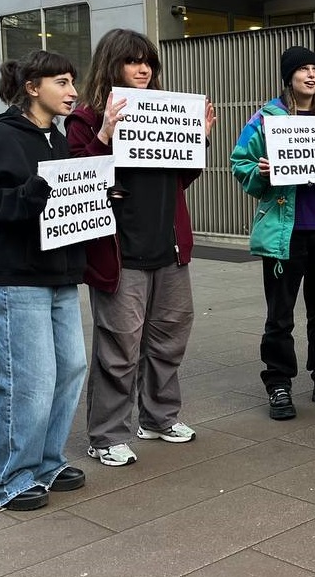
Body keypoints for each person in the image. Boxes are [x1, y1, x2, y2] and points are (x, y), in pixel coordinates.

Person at [66, 29, 215, 466]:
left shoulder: (164, 112)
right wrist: (104, 135)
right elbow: (76, 180)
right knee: (118, 349)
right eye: (133, 61)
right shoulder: (86, 118)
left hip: (169, 249)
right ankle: (106, 435)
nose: (144, 69)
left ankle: (159, 418)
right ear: (112, 65)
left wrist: (199, 140)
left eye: (148, 61)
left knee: (168, 340)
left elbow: (180, 179)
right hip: (120, 253)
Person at [0, 50, 88, 510]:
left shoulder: (57, 138)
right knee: (27, 381)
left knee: (70, 369)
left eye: (72, 81)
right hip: (19, 276)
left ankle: (45, 461)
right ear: (32, 87)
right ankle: (5, 480)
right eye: (62, 82)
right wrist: (33, 191)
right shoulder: (0, 136)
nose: (72, 91)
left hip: (60, 272)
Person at [231, 46, 315, 420]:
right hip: (285, 234)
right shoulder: (265, 119)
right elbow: (240, 163)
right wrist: (259, 171)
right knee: (280, 316)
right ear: (288, 76)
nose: (311, 75)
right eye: (303, 69)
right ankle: (278, 383)